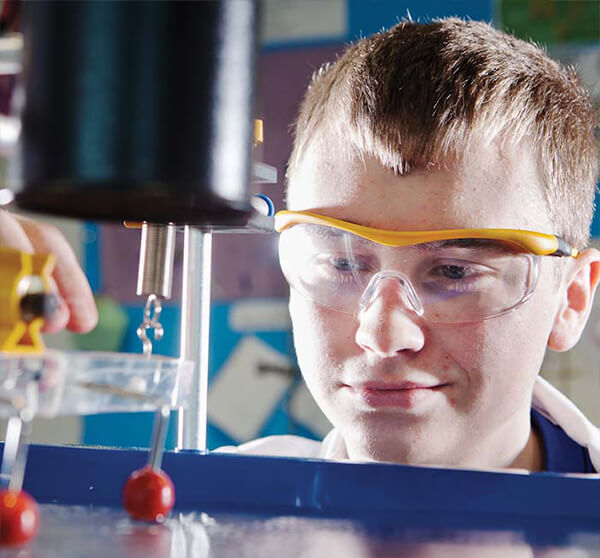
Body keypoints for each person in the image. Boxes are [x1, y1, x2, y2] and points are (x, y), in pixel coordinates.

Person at [1, 18, 599, 473]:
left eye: (452, 270)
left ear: (571, 297)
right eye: (340, 262)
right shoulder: (223, 513)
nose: (383, 333)